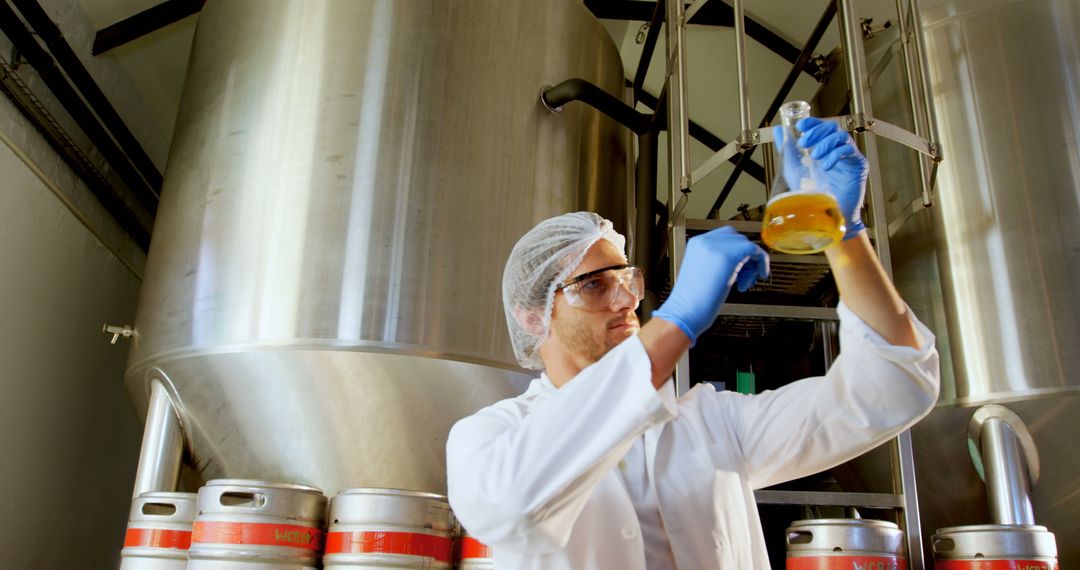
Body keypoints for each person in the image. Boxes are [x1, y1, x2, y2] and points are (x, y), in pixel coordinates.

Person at [445, 118, 940, 568]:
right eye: (594, 285)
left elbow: (891, 387)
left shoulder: (713, 424)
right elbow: (510, 507)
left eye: (627, 281)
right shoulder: (488, 437)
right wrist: (678, 319)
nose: (625, 301)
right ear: (533, 316)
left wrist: (845, 234)